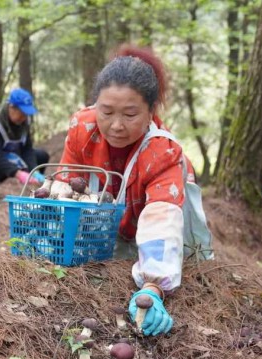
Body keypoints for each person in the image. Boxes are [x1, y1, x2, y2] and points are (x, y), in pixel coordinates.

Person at [57, 45, 198, 337]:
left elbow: (162, 217)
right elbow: (66, 185)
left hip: (140, 225)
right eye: (106, 112)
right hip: (100, 230)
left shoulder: (162, 151)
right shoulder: (82, 129)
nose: (117, 126)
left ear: (150, 113)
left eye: (130, 114)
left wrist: (153, 286)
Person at [0, 88, 50, 185]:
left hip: (13, 155)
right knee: (4, 162)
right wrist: (18, 173)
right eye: (22, 113)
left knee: (41, 155)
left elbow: (27, 149)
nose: (24, 117)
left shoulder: (24, 123)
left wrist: (34, 171)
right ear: (11, 107)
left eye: (26, 114)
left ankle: (33, 183)